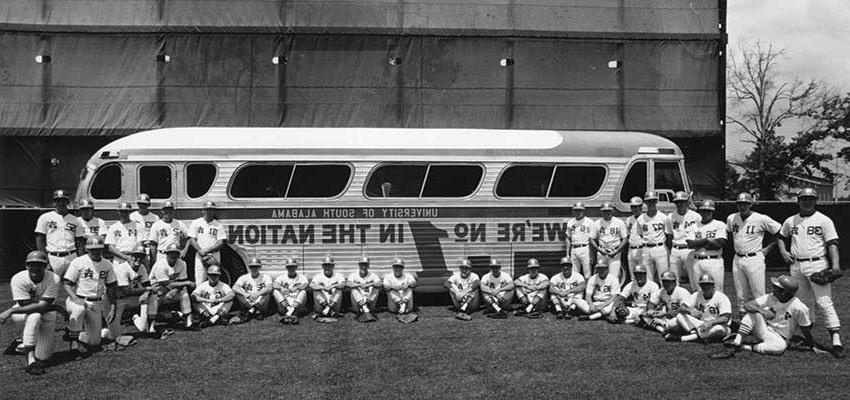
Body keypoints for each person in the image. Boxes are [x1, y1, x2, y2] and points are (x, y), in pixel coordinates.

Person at [777, 188, 843, 358]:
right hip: (797, 265)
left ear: (816, 201)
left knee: (824, 302)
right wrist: (784, 252)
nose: (807, 201)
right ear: (798, 201)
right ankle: (809, 337)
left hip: (817, 264)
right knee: (804, 303)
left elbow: (832, 244)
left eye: (811, 199)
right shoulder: (791, 221)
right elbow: (781, 236)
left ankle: (836, 341)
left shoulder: (824, 220)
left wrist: (835, 265)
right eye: (804, 198)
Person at [713, 275, 816, 358]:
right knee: (753, 313)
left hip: (779, 337)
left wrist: (813, 346)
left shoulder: (799, 307)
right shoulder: (770, 297)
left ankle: (744, 347)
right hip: (764, 329)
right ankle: (736, 342)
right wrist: (761, 310)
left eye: (776, 287)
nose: (773, 288)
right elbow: (747, 305)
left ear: (784, 292)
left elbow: (805, 329)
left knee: (780, 348)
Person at [0, 251, 61, 375]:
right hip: (23, 313)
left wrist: (11, 310)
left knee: (44, 357)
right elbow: (25, 305)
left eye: (39, 264)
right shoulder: (18, 278)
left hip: (45, 312)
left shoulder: (53, 278)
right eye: (31, 264)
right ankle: (30, 359)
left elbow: (44, 306)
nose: (35, 268)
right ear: (26, 266)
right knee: (35, 316)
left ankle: (20, 345)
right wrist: (55, 307)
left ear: (45, 266)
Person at [726, 192, 780, 312]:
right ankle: (743, 321)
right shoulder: (731, 218)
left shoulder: (761, 218)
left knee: (759, 293)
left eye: (745, 204)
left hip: (754, 258)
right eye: (740, 204)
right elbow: (730, 233)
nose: (742, 206)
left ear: (751, 204)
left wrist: (768, 248)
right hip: (737, 258)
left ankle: (763, 322)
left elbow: (779, 231)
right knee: (740, 294)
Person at [63, 237, 117, 354]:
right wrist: (75, 298)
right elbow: (67, 284)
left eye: (98, 249)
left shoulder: (107, 264)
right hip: (77, 299)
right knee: (79, 309)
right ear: (87, 249)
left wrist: (113, 307)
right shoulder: (78, 261)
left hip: (96, 303)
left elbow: (111, 286)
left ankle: (75, 333)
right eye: (92, 249)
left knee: (94, 342)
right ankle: (73, 344)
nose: (95, 251)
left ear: (102, 249)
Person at [664, 274, 731, 343]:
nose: (706, 287)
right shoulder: (697, 295)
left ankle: (684, 338)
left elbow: (725, 318)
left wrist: (710, 323)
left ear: (713, 285)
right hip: (701, 324)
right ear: (700, 285)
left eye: (708, 284)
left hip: (717, 325)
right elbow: (682, 308)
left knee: (718, 329)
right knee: (680, 316)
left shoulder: (721, 297)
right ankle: (695, 333)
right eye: (703, 284)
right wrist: (689, 310)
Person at [35, 189, 84, 280]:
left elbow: (80, 242)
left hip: (71, 256)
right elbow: (40, 239)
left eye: (63, 200)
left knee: (73, 285)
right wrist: (45, 259)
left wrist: (80, 260)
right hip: (53, 257)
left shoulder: (76, 220)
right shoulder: (45, 217)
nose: (61, 203)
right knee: (51, 285)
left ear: (68, 202)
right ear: (54, 202)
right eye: (58, 200)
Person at [108, 244, 153, 339]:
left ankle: (144, 323)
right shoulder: (122, 268)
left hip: (128, 299)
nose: (138, 259)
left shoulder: (141, 267)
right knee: (113, 336)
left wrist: (146, 293)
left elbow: (147, 284)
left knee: (152, 297)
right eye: (136, 256)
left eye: (141, 256)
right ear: (131, 256)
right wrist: (146, 290)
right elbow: (126, 291)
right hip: (114, 301)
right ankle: (94, 333)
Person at [148, 243, 195, 332]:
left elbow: (181, 281)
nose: (173, 255)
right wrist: (188, 282)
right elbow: (166, 283)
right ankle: (151, 325)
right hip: (156, 289)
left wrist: (175, 290)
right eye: (171, 253)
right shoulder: (160, 264)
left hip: (170, 289)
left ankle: (189, 322)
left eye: (176, 253)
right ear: (166, 254)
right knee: (154, 295)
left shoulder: (182, 263)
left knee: (184, 292)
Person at [686, 200, 727, 292]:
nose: (706, 213)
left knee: (717, 290)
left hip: (714, 260)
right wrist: (707, 240)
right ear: (700, 212)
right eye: (703, 211)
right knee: (698, 290)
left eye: (708, 211)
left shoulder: (719, 224)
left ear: (712, 212)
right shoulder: (694, 226)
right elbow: (690, 244)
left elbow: (720, 244)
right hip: (697, 261)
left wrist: (699, 243)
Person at [631, 191, 672, 282]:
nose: (651, 203)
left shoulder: (663, 217)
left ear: (656, 201)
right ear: (645, 202)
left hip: (660, 248)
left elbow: (669, 235)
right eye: (649, 201)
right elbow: (641, 234)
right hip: (646, 249)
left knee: (664, 277)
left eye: (653, 201)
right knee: (648, 279)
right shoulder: (641, 219)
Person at [188, 201, 227, 286]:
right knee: (199, 281)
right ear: (203, 210)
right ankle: (199, 299)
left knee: (214, 281)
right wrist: (200, 251)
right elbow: (192, 239)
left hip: (214, 255)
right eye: (207, 210)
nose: (209, 212)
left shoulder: (218, 225)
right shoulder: (196, 223)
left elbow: (221, 242)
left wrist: (208, 250)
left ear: (214, 211)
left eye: (211, 210)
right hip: (200, 255)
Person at [640, 271, 691, 335]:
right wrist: (651, 310)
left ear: (674, 282)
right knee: (644, 315)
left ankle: (659, 326)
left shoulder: (682, 292)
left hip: (681, 319)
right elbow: (651, 303)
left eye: (668, 282)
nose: (666, 284)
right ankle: (662, 329)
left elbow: (684, 310)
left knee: (674, 323)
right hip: (667, 318)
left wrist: (665, 314)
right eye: (664, 281)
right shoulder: (662, 291)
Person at [668, 191, 700, 289]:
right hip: (675, 249)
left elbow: (700, 235)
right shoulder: (670, 217)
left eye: (682, 201)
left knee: (694, 279)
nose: (680, 204)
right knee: (673, 280)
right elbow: (669, 236)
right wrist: (671, 251)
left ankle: (696, 302)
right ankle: (674, 302)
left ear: (687, 202)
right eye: (678, 202)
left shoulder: (696, 216)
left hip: (689, 250)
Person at [594, 202, 628, 281]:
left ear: (612, 211)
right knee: (601, 276)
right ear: (601, 212)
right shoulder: (596, 223)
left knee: (614, 277)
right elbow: (591, 238)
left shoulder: (619, 222)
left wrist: (617, 251)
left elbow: (625, 238)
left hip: (614, 252)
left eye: (609, 211)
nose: (606, 213)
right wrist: (598, 249)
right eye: (604, 211)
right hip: (602, 252)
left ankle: (613, 293)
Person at [565, 202, 598, 278]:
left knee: (587, 273)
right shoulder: (570, 222)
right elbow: (568, 237)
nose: (578, 212)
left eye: (580, 210)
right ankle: (577, 290)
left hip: (585, 248)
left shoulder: (589, 222)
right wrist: (567, 253)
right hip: (574, 249)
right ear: (573, 211)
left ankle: (587, 290)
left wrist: (592, 253)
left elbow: (592, 239)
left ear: (584, 211)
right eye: (576, 210)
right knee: (574, 274)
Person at [273, 257, 309, 324]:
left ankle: (290, 311)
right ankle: (290, 310)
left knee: (303, 292)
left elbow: (306, 284)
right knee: (275, 291)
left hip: (297, 304)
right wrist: (281, 288)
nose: (291, 269)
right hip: (285, 304)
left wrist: (297, 288)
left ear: (296, 267)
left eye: (293, 267)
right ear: (286, 268)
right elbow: (274, 284)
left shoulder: (301, 277)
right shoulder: (282, 277)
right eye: (289, 267)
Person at [347, 257, 382, 322]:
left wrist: (369, 284)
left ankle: (365, 307)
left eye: (365, 265)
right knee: (354, 289)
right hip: (357, 304)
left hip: (370, 304)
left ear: (368, 266)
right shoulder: (354, 275)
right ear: (358, 265)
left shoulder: (373, 275)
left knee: (376, 289)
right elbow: (348, 284)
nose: (363, 267)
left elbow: (380, 283)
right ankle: (363, 307)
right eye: (361, 265)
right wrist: (359, 285)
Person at [624, 196, 645, 280]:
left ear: (641, 207)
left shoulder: (645, 218)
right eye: (632, 207)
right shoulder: (629, 219)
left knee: (643, 274)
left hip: (641, 249)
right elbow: (628, 234)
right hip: (631, 249)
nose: (635, 209)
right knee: (633, 276)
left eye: (637, 207)